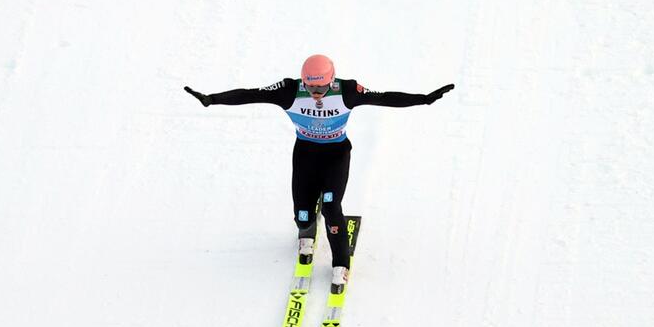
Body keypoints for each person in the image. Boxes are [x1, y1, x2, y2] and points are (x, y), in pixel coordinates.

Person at [184, 54, 453, 294]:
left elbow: (383, 98)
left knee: (331, 208)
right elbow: (250, 94)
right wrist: (213, 99)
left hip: (336, 156)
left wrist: (424, 99)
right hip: (305, 156)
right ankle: (306, 232)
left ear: (331, 80)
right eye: (311, 86)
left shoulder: (347, 90)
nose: (316, 93)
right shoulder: (289, 90)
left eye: (321, 87)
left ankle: (341, 263)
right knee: (302, 216)